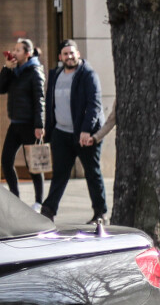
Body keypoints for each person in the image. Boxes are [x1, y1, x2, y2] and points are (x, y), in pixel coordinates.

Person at [41, 40, 106, 223]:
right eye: (65, 54)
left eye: (72, 53)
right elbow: (50, 104)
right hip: (61, 133)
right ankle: (48, 211)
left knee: (92, 173)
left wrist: (85, 131)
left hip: (85, 134)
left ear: (78, 54)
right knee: (59, 174)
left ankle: (100, 213)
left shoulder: (88, 75)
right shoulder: (56, 75)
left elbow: (94, 105)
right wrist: (48, 130)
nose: (69, 56)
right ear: (60, 57)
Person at [0, 38, 46, 208]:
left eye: (18, 50)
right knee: (6, 160)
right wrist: (6, 68)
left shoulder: (35, 72)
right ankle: (15, 197)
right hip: (15, 123)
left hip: (29, 125)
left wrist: (39, 125)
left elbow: (40, 99)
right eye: (14, 49)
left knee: (33, 164)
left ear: (27, 54)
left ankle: (39, 201)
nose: (14, 52)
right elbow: (0, 88)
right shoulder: (14, 70)